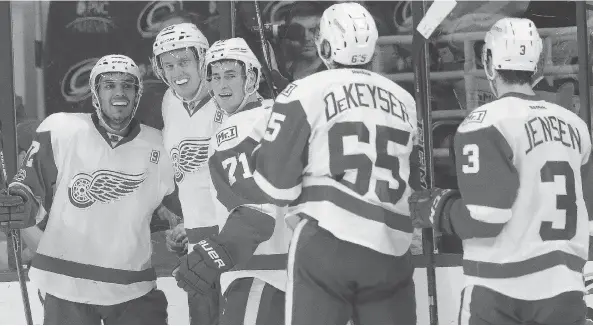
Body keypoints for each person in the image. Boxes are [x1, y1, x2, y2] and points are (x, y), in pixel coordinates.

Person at [408, 17, 592, 324]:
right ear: (538, 66)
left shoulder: (486, 122)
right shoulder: (575, 125)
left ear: (489, 62)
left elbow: (485, 218)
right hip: (564, 290)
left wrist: (439, 210)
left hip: (498, 291)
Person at [250, 3, 419, 324]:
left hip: (327, 238)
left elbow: (276, 185)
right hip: (392, 246)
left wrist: (262, 152)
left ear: (325, 46)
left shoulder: (303, 91)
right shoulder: (404, 99)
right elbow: (415, 179)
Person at [4, 54, 182, 324]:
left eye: (127, 85)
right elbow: (30, 186)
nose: (119, 92)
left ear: (138, 93)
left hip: (133, 288)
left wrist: (186, 229)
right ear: (96, 92)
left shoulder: (159, 145)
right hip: (66, 286)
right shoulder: (62, 129)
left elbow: (185, 207)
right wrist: (19, 203)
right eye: (109, 85)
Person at [174, 37, 291, 325]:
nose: (221, 86)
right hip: (307, 277)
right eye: (214, 77)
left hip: (261, 276)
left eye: (230, 75)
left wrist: (215, 252)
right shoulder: (284, 114)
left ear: (250, 77)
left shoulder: (237, 129)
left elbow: (257, 213)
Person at [152, 22, 222, 324]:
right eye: (168, 65)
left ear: (202, 60)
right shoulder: (171, 102)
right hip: (196, 243)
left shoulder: (228, 99)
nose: (176, 72)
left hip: (233, 239)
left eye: (184, 62)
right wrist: (181, 225)